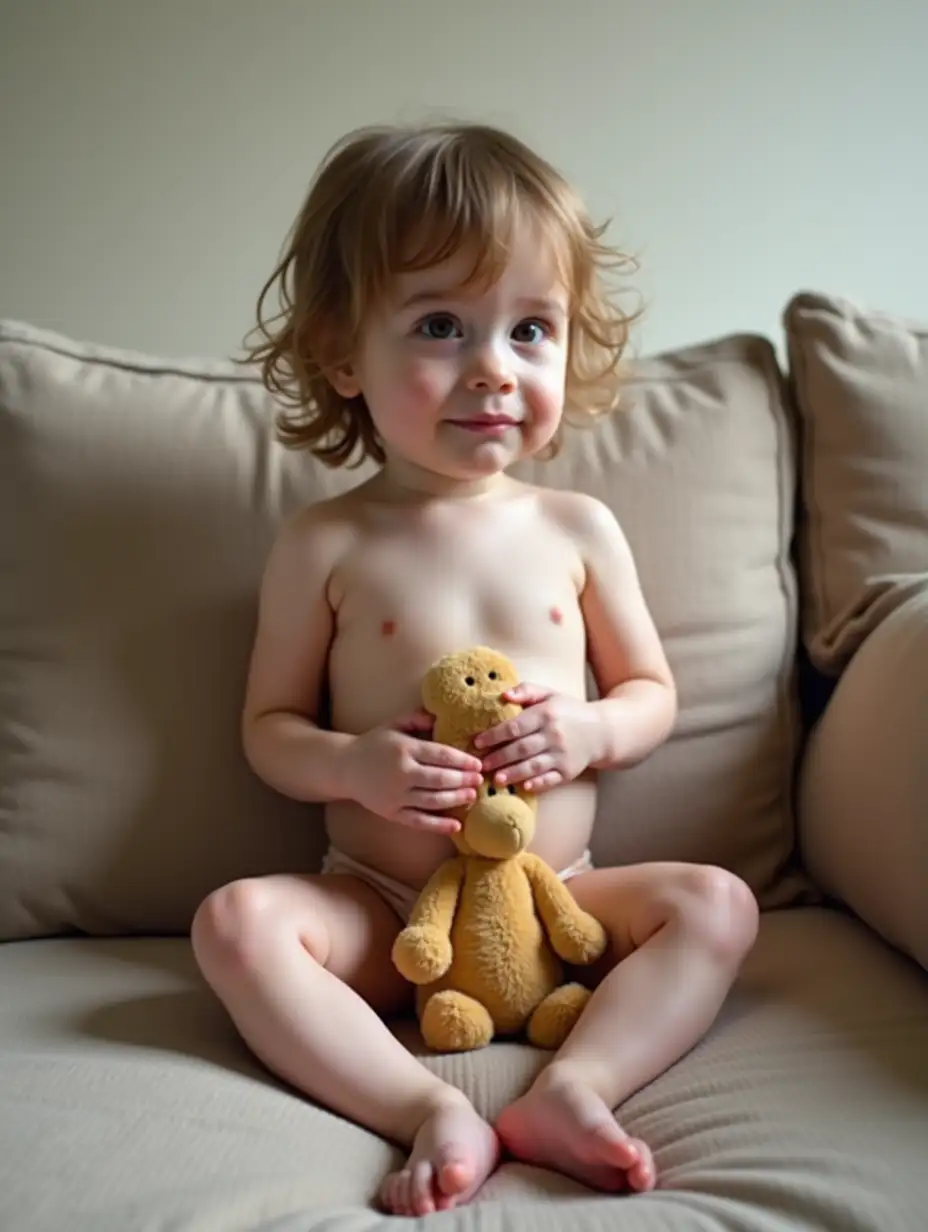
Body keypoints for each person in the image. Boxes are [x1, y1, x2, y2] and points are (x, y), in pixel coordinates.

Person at [191, 121, 759, 1218]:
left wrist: (590, 730)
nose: (494, 367)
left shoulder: (578, 527)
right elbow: (267, 726)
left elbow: (651, 693)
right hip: (380, 909)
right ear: (342, 354)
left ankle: (574, 1085)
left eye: (531, 329)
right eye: (442, 327)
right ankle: (423, 1110)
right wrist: (355, 763)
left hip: (562, 905)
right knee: (234, 925)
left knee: (718, 905)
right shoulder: (326, 542)